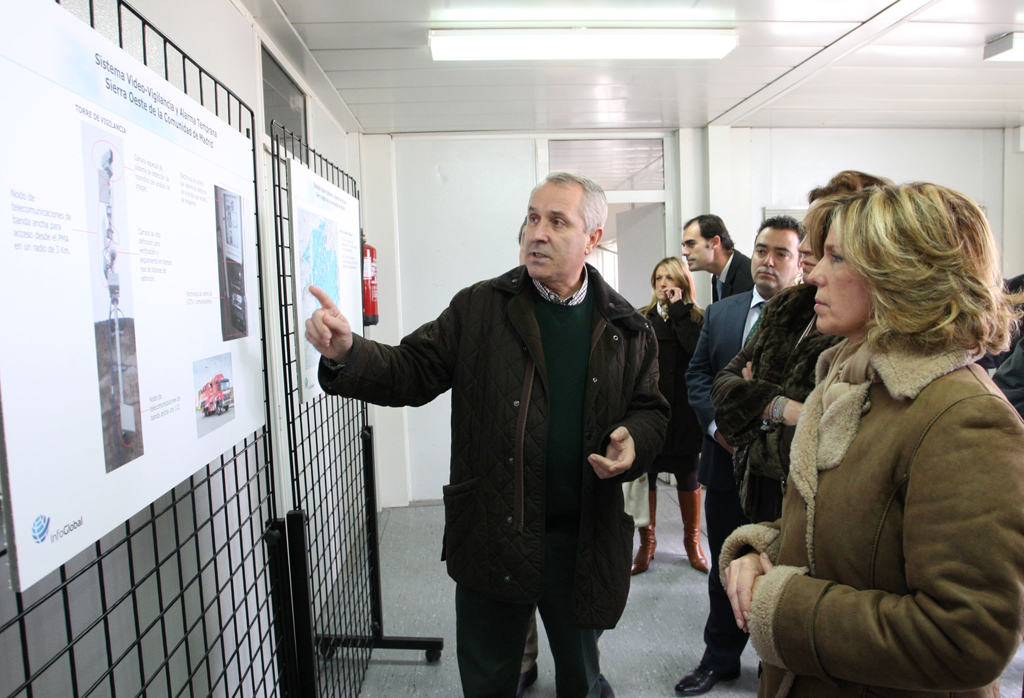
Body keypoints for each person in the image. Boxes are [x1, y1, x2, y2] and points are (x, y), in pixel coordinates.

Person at [306, 171, 669, 698]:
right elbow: (412, 369)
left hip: (582, 540)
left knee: (582, 678)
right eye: (532, 217)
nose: (536, 232)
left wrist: (635, 439)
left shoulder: (629, 328)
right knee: (488, 680)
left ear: (592, 238)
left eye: (557, 221)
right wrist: (349, 353)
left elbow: (651, 409)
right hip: (495, 532)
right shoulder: (479, 308)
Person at [722, 183, 1024, 698]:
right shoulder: (852, 382)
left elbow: (966, 638)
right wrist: (764, 549)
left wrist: (783, 605)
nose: (814, 273)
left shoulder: (966, 418)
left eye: (837, 257)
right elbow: (846, 528)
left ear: (901, 275)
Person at [711, 173, 892, 523]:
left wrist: (757, 403)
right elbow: (724, 390)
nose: (805, 248)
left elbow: (826, 447)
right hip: (760, 502)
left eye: (822, 238)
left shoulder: (862, 330)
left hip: (816, 514)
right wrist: (781, 407)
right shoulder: (789, 305)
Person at [677, 218, 803, 696]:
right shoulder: (722, 312)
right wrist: (719, 427)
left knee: (780, 571)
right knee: (725, 566)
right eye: (762, 250)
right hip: (725, 464)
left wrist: (748, 402)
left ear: (798, 263)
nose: (768, 261)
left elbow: (797, 398)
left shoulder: (815, 321)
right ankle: (720, 659)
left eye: (781, 253)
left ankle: (778, 665)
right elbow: (699, 377)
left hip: (783, 475)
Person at [631, 257, 708, 575]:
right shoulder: (642, 317)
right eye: (659, 278)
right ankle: (647, 544)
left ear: (682, 282)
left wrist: (678, 311)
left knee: (689, 476)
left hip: (685, 413)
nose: (663, 284)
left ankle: (693, 543)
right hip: (652, 411)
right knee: (646, 475)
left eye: (670, 277)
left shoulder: (697, 318)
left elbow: (697, 353)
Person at [682, 214, 754, 303]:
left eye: (691, 244)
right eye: (684, 245)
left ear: (715, 242)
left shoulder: (749, 279)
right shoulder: (718, 277)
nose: (684, 252)